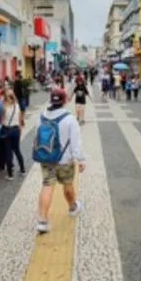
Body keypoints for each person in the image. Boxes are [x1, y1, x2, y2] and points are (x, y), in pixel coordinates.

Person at [34, 88, 85, 234]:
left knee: (47, 186)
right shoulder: (70, 119)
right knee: (68, 185)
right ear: (65, 101)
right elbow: (76, 143)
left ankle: (42, 221)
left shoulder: (43, 116)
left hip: (47, 158)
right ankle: (72, 207)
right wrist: (81, 159)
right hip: (64, 160)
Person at [0, 90, 26, 179]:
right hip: (16, 130)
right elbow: (20, 120)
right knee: (17, 150)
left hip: (7, 130)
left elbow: (2, 121)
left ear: (6, 97)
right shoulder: (17, 106)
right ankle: (23, 170)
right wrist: (19, 130)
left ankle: (10, 175)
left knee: (8, 152)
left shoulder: (4, 107)